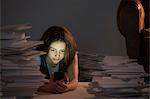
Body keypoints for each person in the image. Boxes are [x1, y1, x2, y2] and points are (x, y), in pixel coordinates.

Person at [34, 25, 78, 94]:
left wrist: (65, 87)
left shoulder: (70, 55)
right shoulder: (36, 57)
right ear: (46, 48)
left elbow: (74, 81)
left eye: (62, 51)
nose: (57, 55)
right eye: (53, 50)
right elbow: (25, 83)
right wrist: (45, 88)